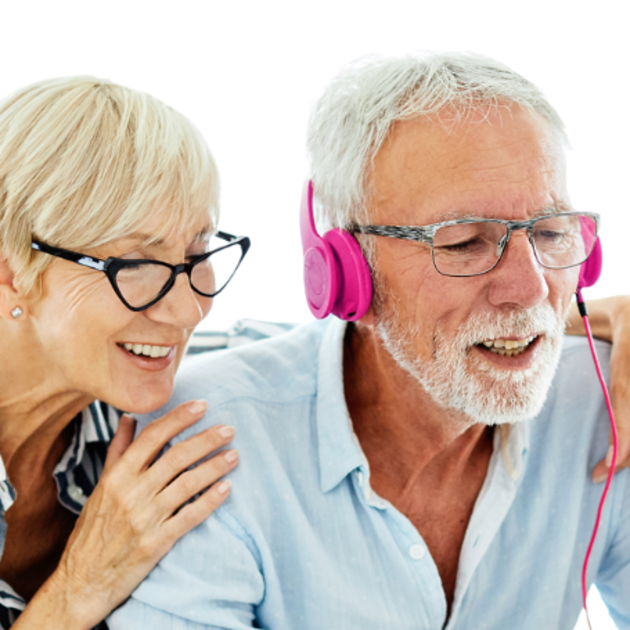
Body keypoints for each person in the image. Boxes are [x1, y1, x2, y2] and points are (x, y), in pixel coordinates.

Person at [109, 53, 630, 629]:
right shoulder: (208, 447)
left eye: (551, 233)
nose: (529, 289)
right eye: (462, 244)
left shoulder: (611, 405)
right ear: (347, 273)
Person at [0, 77, 249, 629]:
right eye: (136, 263)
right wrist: (78, 589)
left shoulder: (152, 395)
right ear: (11, 271)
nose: (187, 312)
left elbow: (316, 362)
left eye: (196, 254)